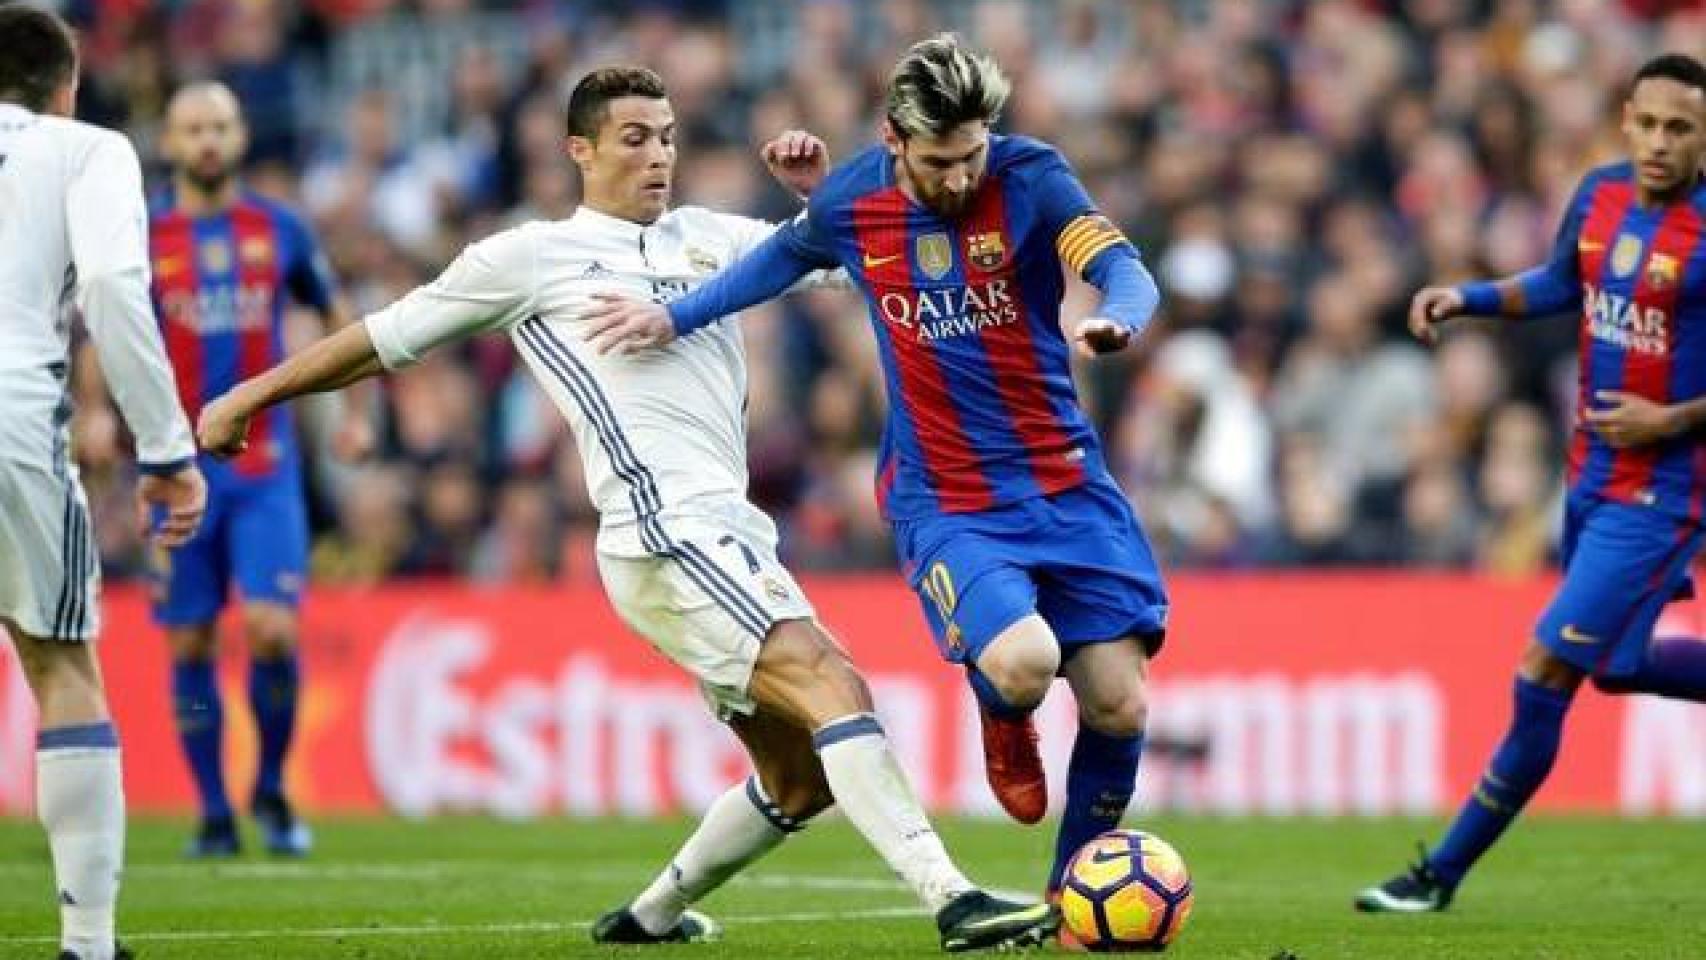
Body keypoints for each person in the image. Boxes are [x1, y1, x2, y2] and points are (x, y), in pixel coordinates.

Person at [195, 66, 1058, 952]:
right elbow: (383, 337)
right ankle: (953, 902)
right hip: (662, 532)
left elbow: (857, 260)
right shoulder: (528, 258)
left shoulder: (714, 237)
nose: (659, 156)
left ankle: (647, 919)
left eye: (670, 136)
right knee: (834, 685)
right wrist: (247, 399)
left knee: (800, 777)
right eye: (636, 138)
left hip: (725, 528)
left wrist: (824, 196)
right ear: (581, 150)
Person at [583, 33, 1168, 906]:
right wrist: (673, 319)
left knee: (1121, 706)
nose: (963, 176)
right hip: (951, 501)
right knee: (1026, 661)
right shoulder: (854, 198)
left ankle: (1069, 901)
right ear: (895, 141)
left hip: (1066, 483)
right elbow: (770, 266)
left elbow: (1121, 267)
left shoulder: (1034, 176)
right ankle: (1006, 717)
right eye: (941, 159)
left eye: (973, 154)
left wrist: (1118, 316)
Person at [1357, 52, 1706, 913]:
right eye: (1648, 122)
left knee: (1545, 665)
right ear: (1626, 119)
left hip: (1662, 492)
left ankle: (1439, 873)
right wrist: (1466, 296)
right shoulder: (1600, 195)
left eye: (1681, 128)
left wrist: (1670, 421)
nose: (1660, 142)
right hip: (1587, 475)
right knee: (1618, 667)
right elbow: (1561, 283)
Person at [0, 6, 208, 959]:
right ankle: (87, 944)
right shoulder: (86, 150)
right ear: (67, 85)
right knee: (58, 661)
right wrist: (165, 449)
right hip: (10, 414)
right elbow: (118, 288)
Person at [148, 82, 369, 859]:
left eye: (220, 125)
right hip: (173, 468)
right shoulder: (142, 232)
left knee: (273, 631)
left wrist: (353, 414)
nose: (208, 140)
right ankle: (212, 812)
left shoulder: (277, 229)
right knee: (189, 644)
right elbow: (105, 330)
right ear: (171, 141)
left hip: (266, 467)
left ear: (239, 135)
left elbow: (336, 312)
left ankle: (271, 789)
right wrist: (100, 412)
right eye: (193, 128)